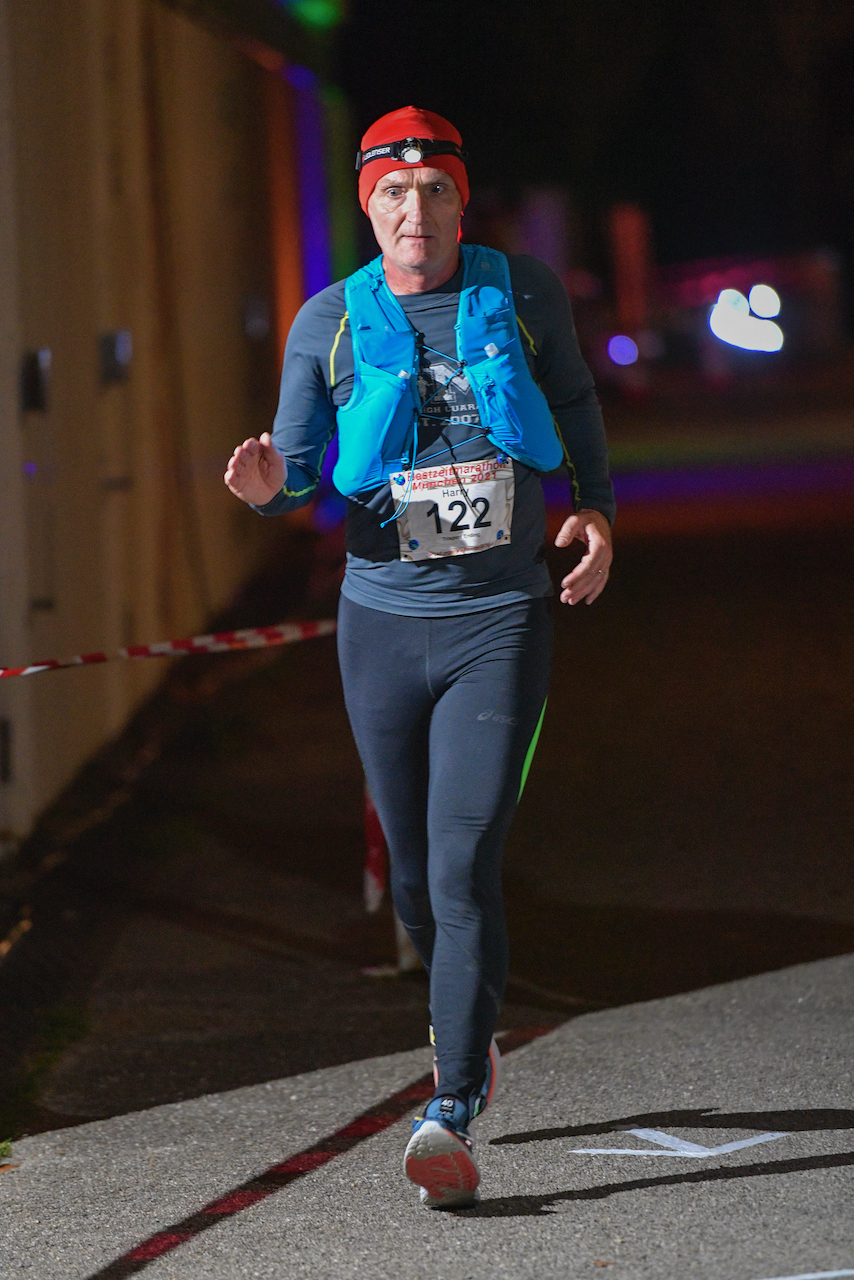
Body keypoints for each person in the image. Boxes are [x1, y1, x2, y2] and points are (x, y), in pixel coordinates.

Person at [225, 106, 614, 1209]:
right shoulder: (327, 322)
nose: (415, 211)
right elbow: (298, 470)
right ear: (369, 206)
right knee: (412, 883)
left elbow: (575, 403)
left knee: (461, 858)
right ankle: (470, 1031)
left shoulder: (519, 293)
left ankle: (448, 1103)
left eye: (433, 190)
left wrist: (595, 511)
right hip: (380, 624)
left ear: (459, 198)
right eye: (393, 194)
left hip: (500, 617)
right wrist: (268, 492)